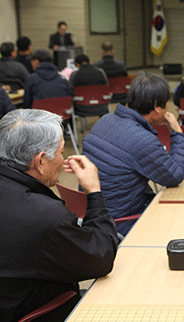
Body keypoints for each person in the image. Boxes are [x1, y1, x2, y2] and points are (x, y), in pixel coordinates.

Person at [0, 109, 118, 322]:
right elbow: (101, 257)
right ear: (40, 161)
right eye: (61, 152)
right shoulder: (44, 216)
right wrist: (94, 192)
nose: (63, 159)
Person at [82, 73, 184, 236]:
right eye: (166, 104)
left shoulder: (105, 119)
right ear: (156, 107)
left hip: (92, 214)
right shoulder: (144, 140)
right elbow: (175, 176)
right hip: (121, 222)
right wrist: (178, 133)